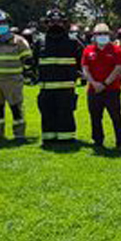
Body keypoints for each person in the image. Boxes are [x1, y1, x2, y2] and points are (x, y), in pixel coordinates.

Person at [0, 9, 33, 142]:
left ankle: (19, 134)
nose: (1, 26)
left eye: (4, 23)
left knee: (16, 107)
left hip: (13, 80)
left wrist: (28, 76)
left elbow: (28, 61)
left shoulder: (19, 41)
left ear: (9, 24)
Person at [36, 9, 82, 144]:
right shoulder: (40, 41)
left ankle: (66, 139)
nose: (56, 24)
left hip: (66, 89)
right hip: (46, 89)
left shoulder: (73, 42)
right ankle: (49, 138)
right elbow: (33, 61)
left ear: (64, 23)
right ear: (47, 23)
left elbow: (82, 61)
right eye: (52, 22)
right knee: (47, 114)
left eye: (59, 22)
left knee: (66, 115)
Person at [82, 23, 121, 149]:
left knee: (116, 116)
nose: (102, 36)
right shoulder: (88, 50)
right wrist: (94, 83)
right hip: (93, 90)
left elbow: (118, 68)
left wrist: (105, 83)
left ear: (109, 35)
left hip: (112, 90)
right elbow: (85, 69)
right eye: (99, 34)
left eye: (105, 34)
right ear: (94, 36)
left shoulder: (116, 50)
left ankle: (120, 142)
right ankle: (98, 141)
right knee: (95, 117)